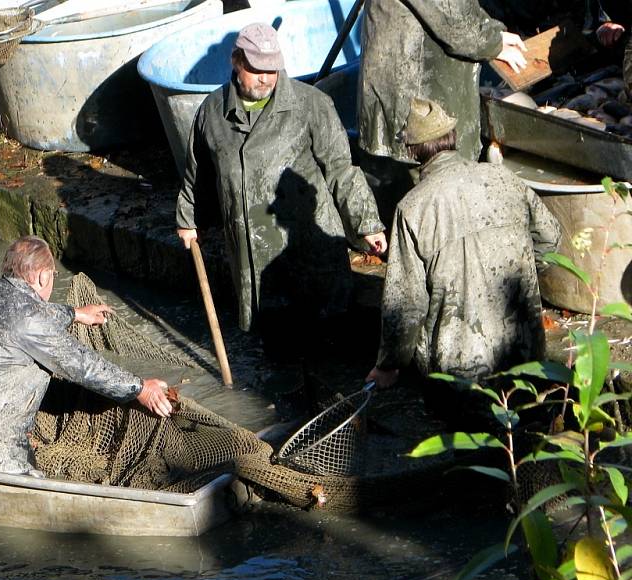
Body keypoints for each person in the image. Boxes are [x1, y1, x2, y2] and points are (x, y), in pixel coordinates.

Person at [175, 22, 386, 360]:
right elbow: (197, 173)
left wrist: (367, 223)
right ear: (236, 61)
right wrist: (188, 218)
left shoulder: (312, 105)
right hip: (250, 250)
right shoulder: (212, 113)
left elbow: (341, 170)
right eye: (256, 69)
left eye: (272, 69)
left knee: (329, 342)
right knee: (273, 343)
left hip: (308, 248)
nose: (265, 78)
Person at [0, 236, 173, 474]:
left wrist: (74, 313)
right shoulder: (31, 319)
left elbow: (22, 311)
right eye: (53, 275)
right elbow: (82, 365)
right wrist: (140, 388)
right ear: (41, 277)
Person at [366, 99, 561, 397]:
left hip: (459, 377)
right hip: (526, 359)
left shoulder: (412, 208)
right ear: (453, 137)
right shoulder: (505, 178)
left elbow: (406, 304)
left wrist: (388, 364)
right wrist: (524, 276)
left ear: (411, 151)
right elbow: (551, 240)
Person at [357, 0, 528, 219]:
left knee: (394, 201)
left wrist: (492, 30)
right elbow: (453, 18)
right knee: (433, 207)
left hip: (391, 94)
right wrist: (492, 41)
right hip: (415, 97)